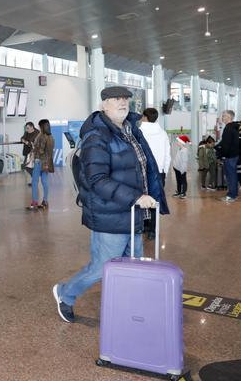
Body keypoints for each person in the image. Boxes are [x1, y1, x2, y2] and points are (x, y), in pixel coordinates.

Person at [52, 86, 169, 323]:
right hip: (110, 214)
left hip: (133, 212)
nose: (123, 102)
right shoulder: (97, 136)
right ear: (103, 104)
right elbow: (97, 180)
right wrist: (136, 197)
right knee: (101, 267)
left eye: (126, 98)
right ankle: (65, 293)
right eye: (116, 99)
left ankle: (125, 309)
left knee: (130, 266)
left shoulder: (129, 130)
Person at [139, 108, 170, 239]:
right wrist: (164, 172)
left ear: (144, 117)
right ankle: (153, 230)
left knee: (142, 197)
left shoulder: (139, 132)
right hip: (159, 171)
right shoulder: (163, 133)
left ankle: (144, 225)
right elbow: (167, 154)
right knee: (155, 200)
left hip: (143, 170)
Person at [27, 119, 55, 210]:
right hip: (46, 162)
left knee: (35, 181)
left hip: (39, 161)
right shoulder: (51, 137)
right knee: (44, 181)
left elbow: (41, 150)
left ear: (42, 126)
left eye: (39, 126)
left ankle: (34, 201)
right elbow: (49, 152)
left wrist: (34, 147)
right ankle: (45, 201)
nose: (38, 127)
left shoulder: (42, 136)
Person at [218, 110, 239, 202]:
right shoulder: (234, 127)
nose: (222, 117)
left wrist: (223, 155)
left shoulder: (228, 128)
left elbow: (226, 144)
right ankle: (234, 194)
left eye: (224, 116)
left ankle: (231, 196)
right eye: (223, 115)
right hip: (234, 155)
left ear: (229, 117)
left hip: (229, 156)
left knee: (230, 176)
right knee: (233, 175)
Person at [20, 122, 38, 186]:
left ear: (32, 127)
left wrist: (28, 143)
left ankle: (35, 180)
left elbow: (33, 144)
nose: (26, 130)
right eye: (26, 128)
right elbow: (22, 138)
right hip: (27, 152)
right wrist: (25, 141)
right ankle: (35, 180)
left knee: (29, 166)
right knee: (26, 166)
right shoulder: (26, 132)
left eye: (27, 128)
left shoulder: (37, 133)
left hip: (33, 153)